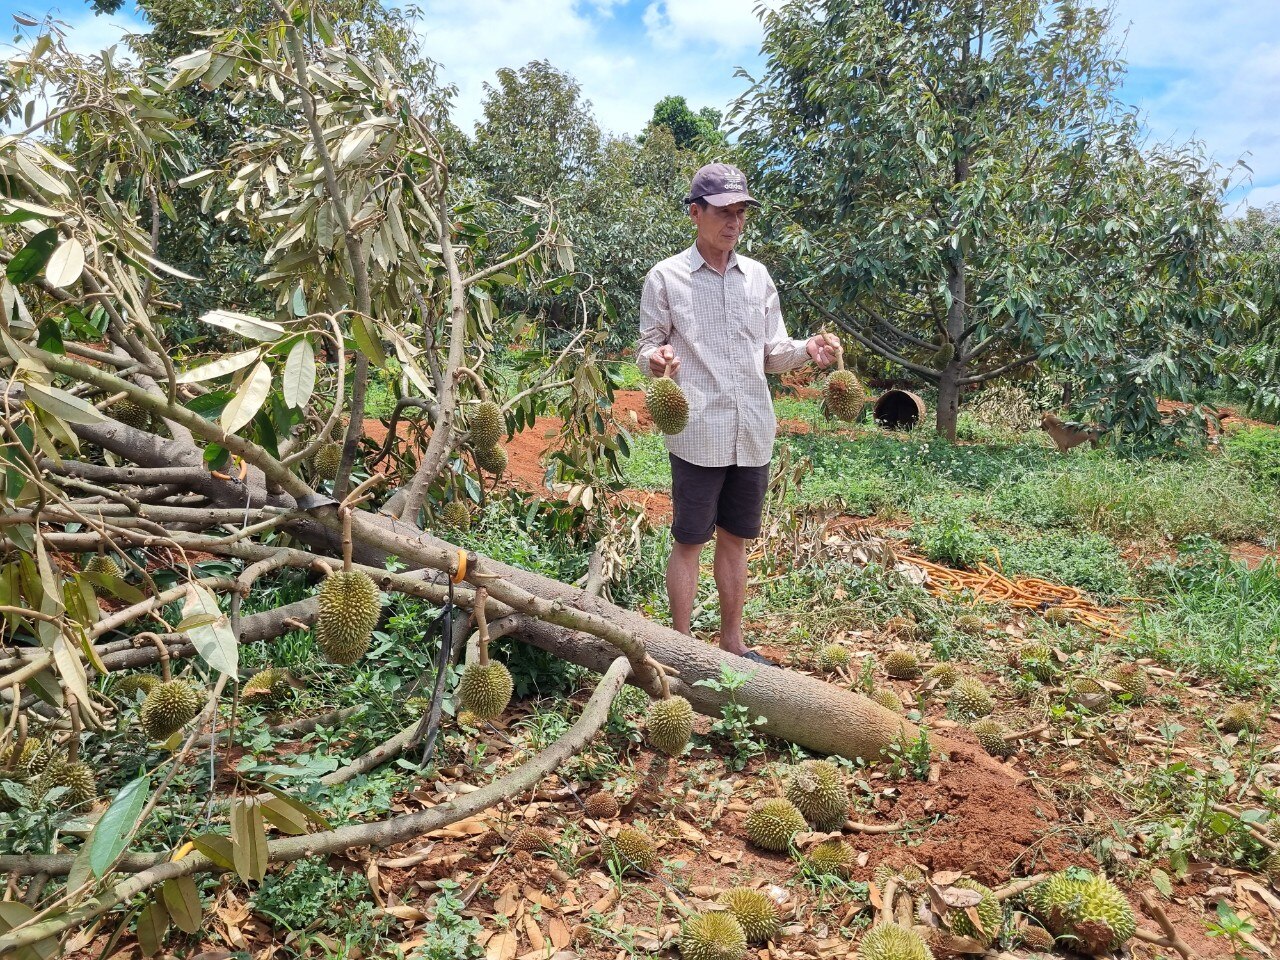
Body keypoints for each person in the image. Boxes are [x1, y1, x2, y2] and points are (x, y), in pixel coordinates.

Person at [636, 162, 840, 664]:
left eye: (741, 212)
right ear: (695, 213)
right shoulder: (666, 278)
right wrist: (656, 359)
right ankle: (680, 648)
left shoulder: (758, 278)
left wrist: (808, 349)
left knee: (735, 541)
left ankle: (732, 643)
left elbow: (772, 351)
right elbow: (647, 348)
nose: (734, 221)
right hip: (697, 430)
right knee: (689, 539)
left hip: (751, 429)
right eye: (724, 211)